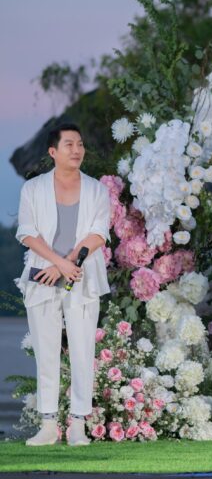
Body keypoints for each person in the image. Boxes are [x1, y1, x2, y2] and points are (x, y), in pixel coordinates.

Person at [15, 124, 111, 446]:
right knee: (46, 352)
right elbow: (27, 233)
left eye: (80, 144)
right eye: (68, 144)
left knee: (83, 351)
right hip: (43, 278)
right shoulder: (34, 189)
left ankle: (78, 426)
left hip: (82, 279)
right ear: (53, 152)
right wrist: (58, 264)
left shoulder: (97, 190)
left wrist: (69, 263)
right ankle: (47, 425)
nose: (76, 150)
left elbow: (98, 233)